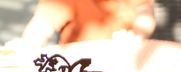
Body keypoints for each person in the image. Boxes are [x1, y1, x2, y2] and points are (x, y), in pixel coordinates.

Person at [10, 0, 156, 48]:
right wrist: (27, 45)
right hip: (77, 68)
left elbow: (146, 15)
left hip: (124, 57)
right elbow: (43, 23)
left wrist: (136, 34)